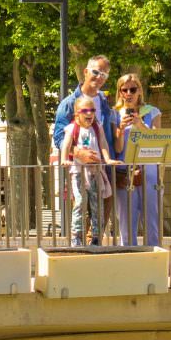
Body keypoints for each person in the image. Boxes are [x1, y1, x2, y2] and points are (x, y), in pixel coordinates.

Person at [113, 73, 161, 246]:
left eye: (133, 89)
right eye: (124, 90)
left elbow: (158, 141)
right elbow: (117, 149)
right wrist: (120, 129)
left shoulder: (152, 111)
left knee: (151, 220)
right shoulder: (114, 114)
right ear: (119, 92)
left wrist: (140, 125)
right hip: (125, 172)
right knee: (126, 222)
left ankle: (156, 261)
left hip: (148, 171)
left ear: (139, 90)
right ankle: (128, 260)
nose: (128, 93)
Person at [60, 98, 114, 246]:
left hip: (95, 171)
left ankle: (96, 236)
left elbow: (103, 143)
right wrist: (65, 158)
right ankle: (75, 236)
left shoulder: (97, 126)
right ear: (77, 114)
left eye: (92, 110)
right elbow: (66, 144)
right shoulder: (72, 128)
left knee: (97, 203)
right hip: (79, 172)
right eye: (85, 111)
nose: (90, 113)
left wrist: (107, 159)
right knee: (80, 202)